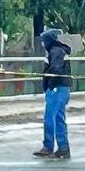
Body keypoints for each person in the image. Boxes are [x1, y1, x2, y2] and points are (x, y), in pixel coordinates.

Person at [33, 29, 72, 160]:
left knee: (49, 118)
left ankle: (48, 147)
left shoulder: (55, 51)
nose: (43, 43)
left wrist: (50, 84)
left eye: (44, 41)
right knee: (59, 119)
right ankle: (63, 148)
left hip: (57, 88)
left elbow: (55, 69)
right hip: (61, 88)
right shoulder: (57, 51)